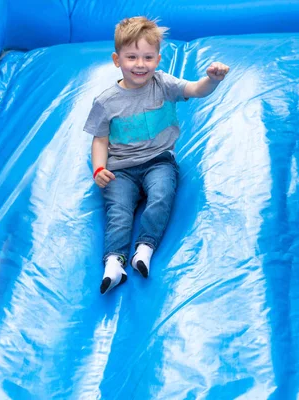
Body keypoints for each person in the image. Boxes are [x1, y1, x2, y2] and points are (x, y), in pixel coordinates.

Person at [84, 16, 230, 294]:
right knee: (119, 210)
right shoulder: (106, 101)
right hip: (121, 167)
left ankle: (144, 249)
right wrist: (99, 168)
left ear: (158, 59)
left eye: (148, 57)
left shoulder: (163, 84)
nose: (140, 64)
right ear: (117, 60)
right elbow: (100, 139)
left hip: (158, 160)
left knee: (161, 195)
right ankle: (114, 263)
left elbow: (196, 90)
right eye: (132, 57)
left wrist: (212, 80)